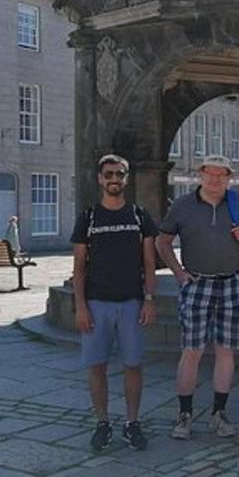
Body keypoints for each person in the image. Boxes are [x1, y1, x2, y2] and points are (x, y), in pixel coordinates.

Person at [156, 154, 239, 439]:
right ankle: (184, 414)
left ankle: (219, 413)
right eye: (210, 174)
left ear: (229, 177)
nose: (215, 179)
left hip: (232, 282)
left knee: (226, 351)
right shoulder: (182, 206)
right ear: (200, 175)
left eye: (221, 174)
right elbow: (162, 241)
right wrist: (178, 274)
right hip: (197, 282)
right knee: (191, 351)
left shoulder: (238, 202)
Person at [70, 154, 157, 452]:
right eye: (109, 174)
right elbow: (79, 266)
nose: (114, 179)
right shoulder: (88, 217)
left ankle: (132, 422)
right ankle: (103, 422)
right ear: (99, 178)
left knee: (133, 364)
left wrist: (149, 299)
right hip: (96, 303)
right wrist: (80, 306)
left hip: (132, 302)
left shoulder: (139, 216)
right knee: (97, 366)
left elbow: (148, 262)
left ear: (127, 178)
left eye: (120, 174)